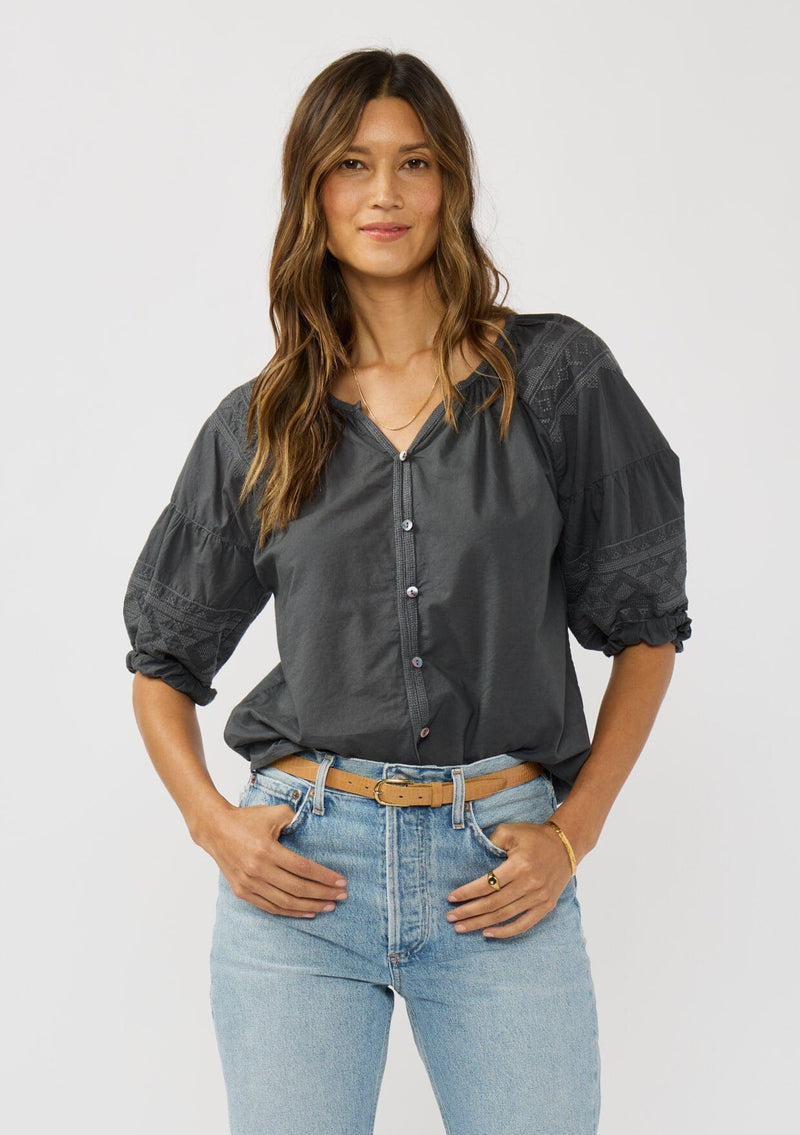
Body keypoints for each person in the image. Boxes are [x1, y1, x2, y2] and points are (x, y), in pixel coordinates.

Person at [123, 48, 691, 1135]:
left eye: (413, 162)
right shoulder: (261, 424)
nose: (383, 192)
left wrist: (572, 833)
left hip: (499, 873)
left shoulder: (555, 381)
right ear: (313, 193)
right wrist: (213, 825)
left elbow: (646, 629)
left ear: (449, 186)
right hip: (302, 875)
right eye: (351, 164)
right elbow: (161, 663)